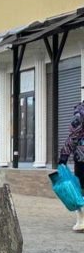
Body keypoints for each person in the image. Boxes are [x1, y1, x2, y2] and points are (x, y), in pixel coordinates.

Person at [57, 99, 84, 232]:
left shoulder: (81, 112)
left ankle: (82, 221)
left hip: (82, 158)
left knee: (80, 190)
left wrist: (64, 157)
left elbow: (74, 135)